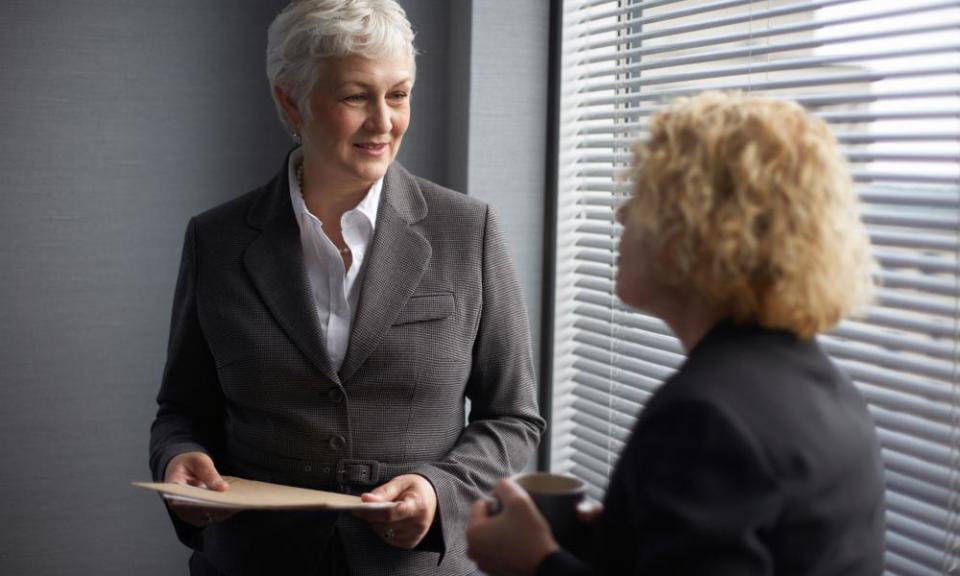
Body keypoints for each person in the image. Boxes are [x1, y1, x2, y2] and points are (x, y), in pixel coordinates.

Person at [148, 1, 545, 574]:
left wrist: (439, 490)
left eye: (399, 94)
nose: (384, 122)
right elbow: (181, 408)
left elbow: (513, 417)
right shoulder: (216, 240)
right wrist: (178, 456)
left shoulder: (469, 230)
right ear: (292, 101)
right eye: (356, 96)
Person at [466, 92, 887, 575]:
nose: (621, 215)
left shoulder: (706, 420)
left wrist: (535, 564)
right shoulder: (832, 395)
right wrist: (621, 542)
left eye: (642, 196)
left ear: (699, 227)